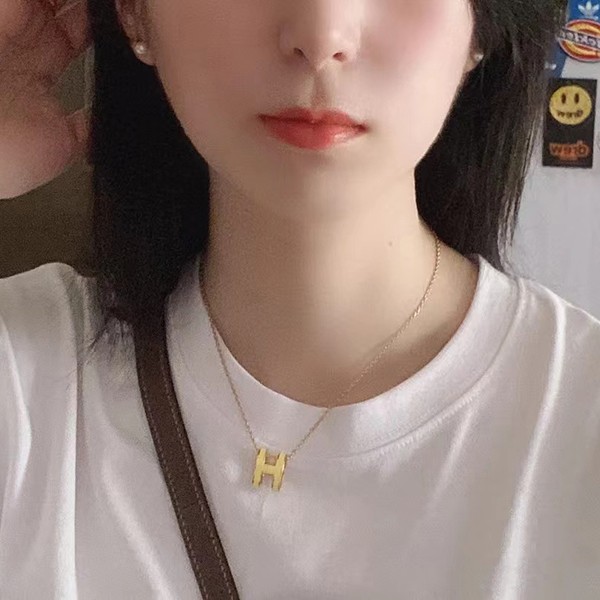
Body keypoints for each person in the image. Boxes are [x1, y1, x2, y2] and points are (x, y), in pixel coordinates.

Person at [0, 0, 598, 597]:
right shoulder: (24, 380)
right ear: (133, 12)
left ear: (484, 25)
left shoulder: (579, 420)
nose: (322, 34)